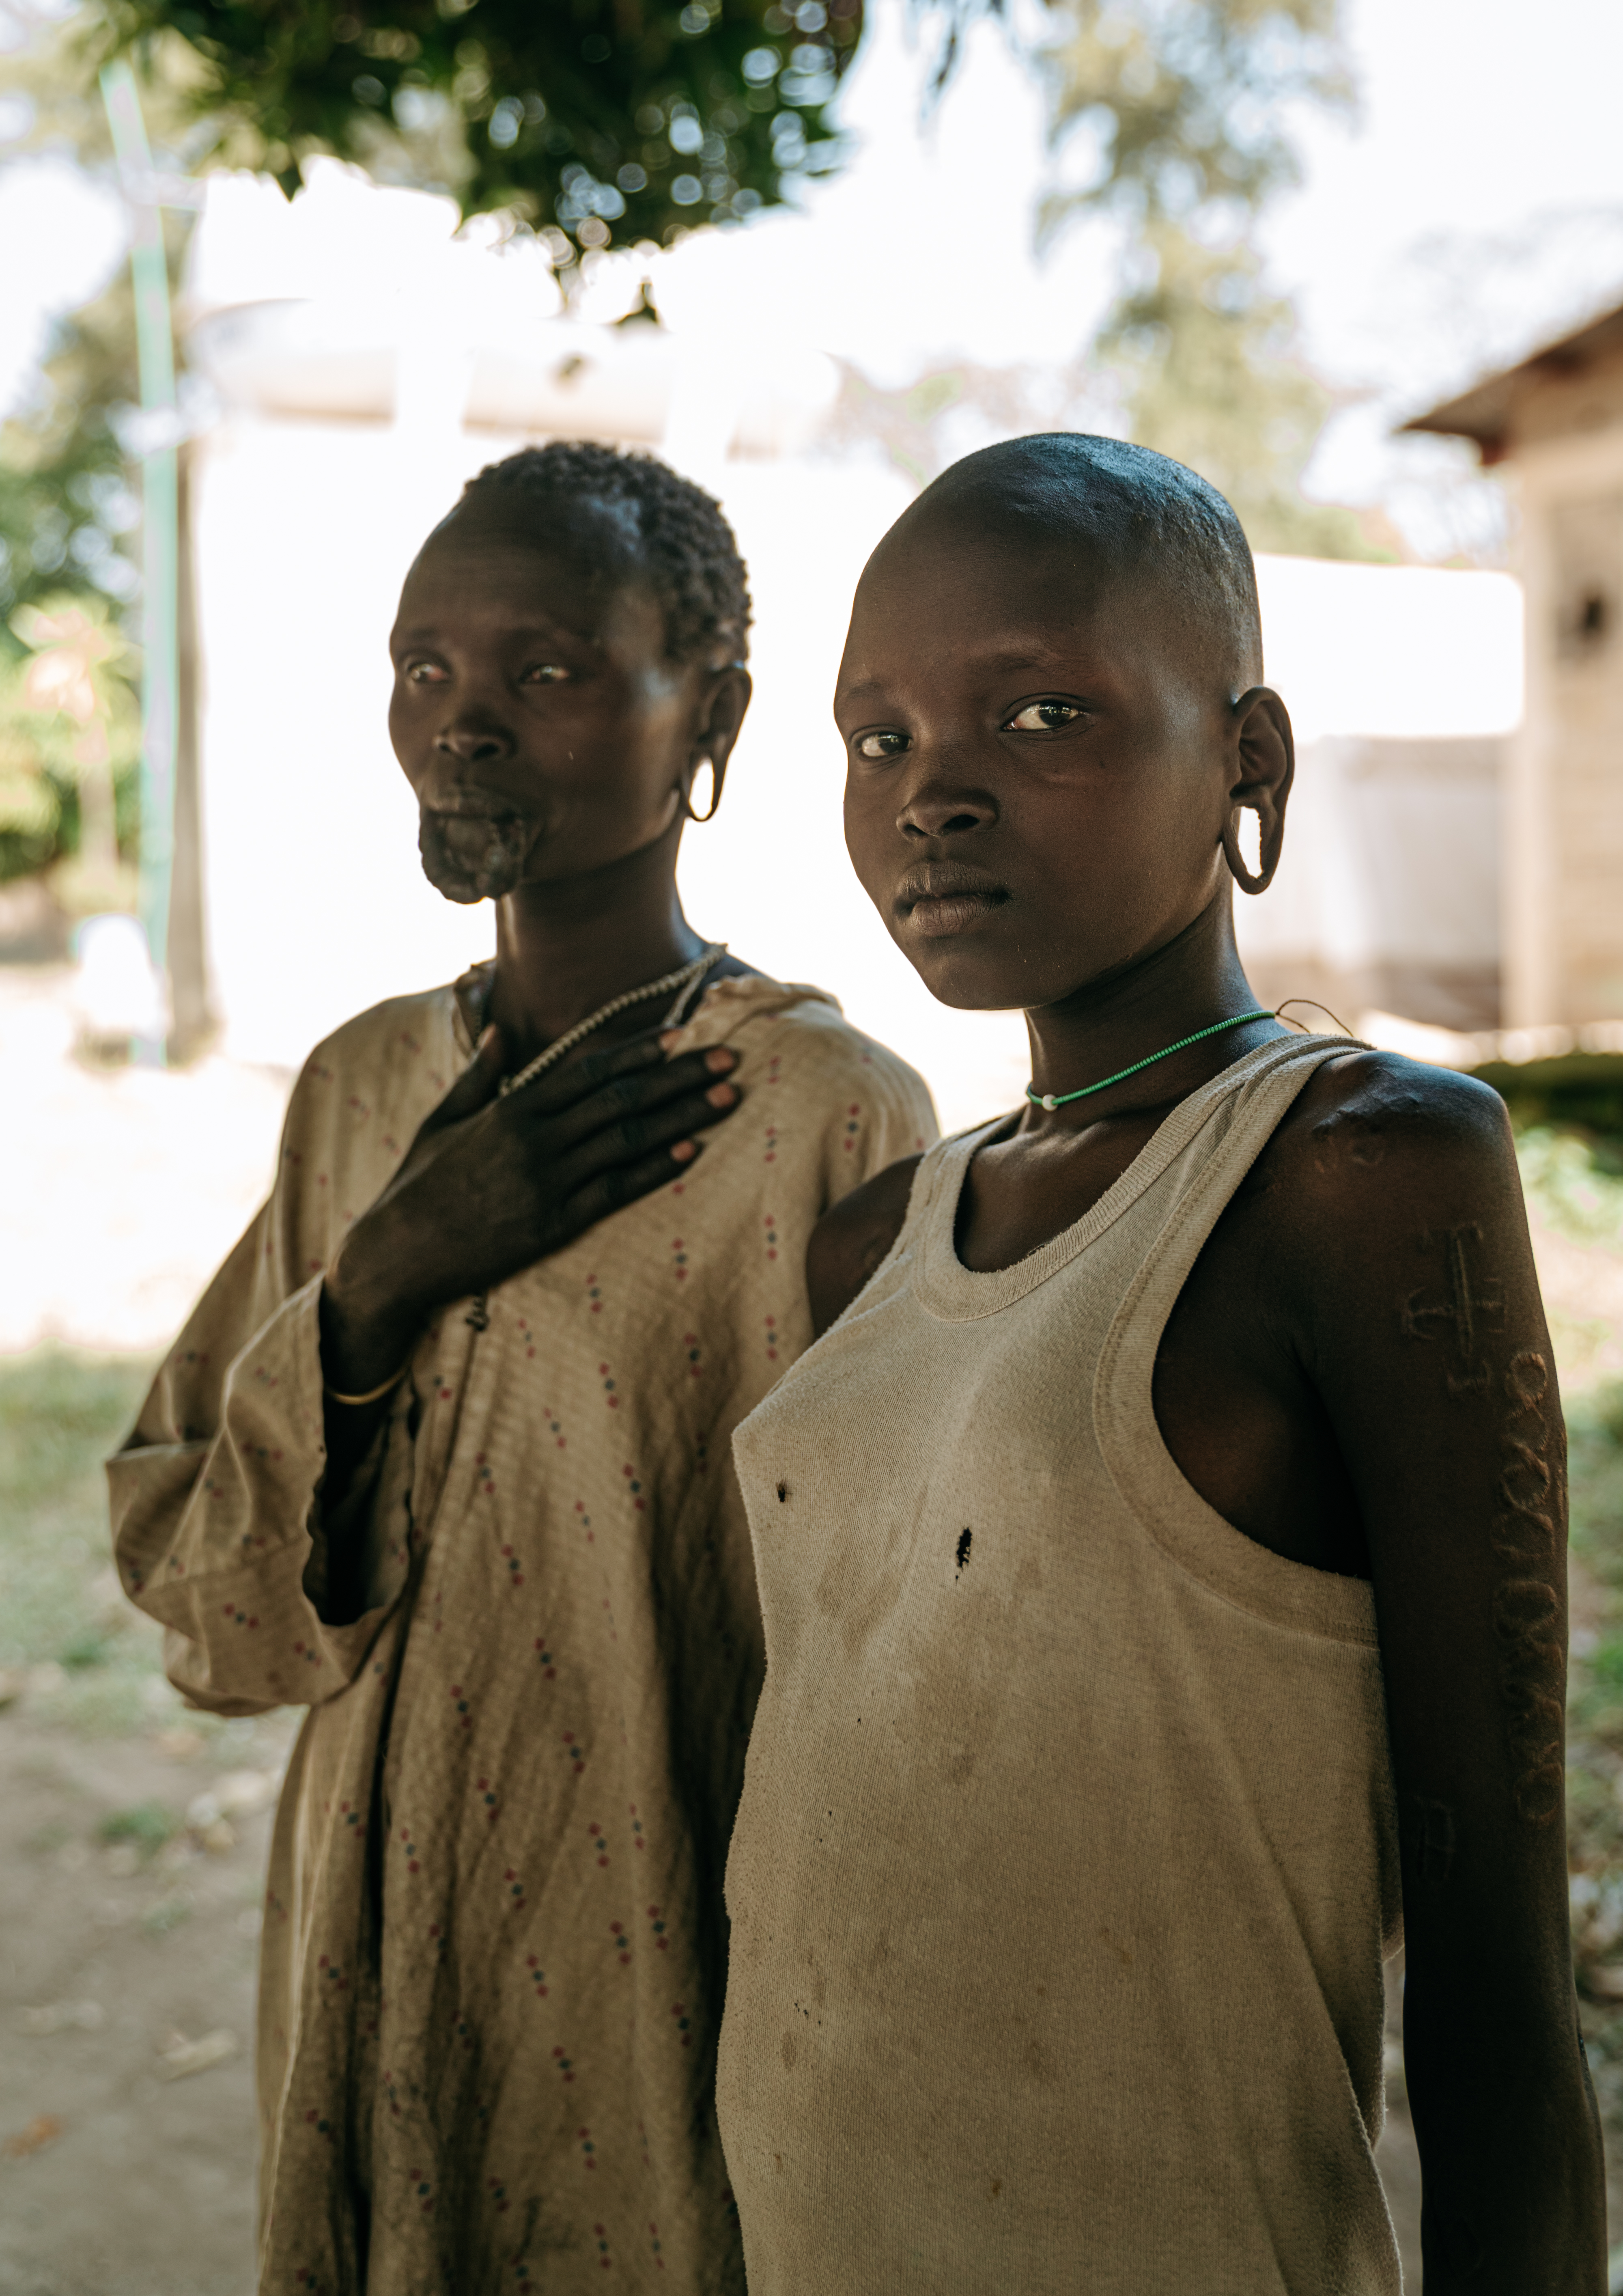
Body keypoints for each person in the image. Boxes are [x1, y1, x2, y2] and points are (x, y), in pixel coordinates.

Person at [715, 433, 1606, 2293]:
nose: (930, 793)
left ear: (1246, 764)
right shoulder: (875, 1244)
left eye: (1039, 713)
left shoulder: (1351, 1173)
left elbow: (1494, 1957)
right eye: (875, 738)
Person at [109, 441, 934, 2295]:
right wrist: (386, 1277)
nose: (463, 724)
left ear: (704, 713)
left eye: (547, 671)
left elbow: (889, 1635)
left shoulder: (822, 1111)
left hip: (666, 1950)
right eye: (426, 669)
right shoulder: (361, 1089)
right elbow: (203, 1589)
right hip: (368, 1931)